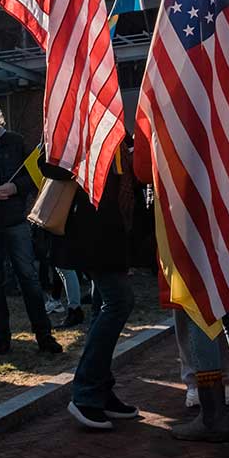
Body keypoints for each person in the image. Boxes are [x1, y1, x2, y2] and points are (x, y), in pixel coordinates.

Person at [40, 140, 148, 432]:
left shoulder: (114, 123)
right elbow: (48, 163)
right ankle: (86, 392)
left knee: (104, 307)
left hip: (114, 231)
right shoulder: (76, 122)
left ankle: (99, 390)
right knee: (119, 301)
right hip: (91, 230)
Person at [0, 98, 61, 356]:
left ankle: (44, 335)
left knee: (28, 277)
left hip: (14, 219)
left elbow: (34, 174)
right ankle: (1, 338)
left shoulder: (15, 142)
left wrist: (15, 188)